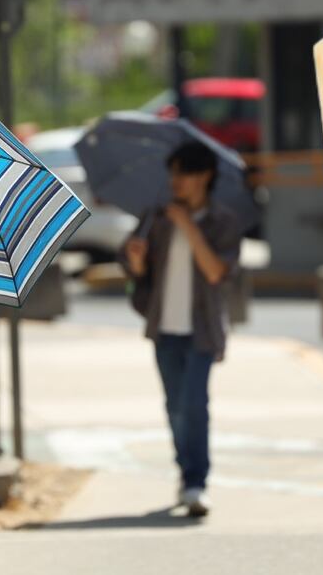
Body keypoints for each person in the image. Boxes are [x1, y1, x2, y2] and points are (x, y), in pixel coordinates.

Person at [121, 141, 242, 518]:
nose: (176, 181)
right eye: (172, 173)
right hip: (164, 328)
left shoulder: (222, 221)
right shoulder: (155, 217)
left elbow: (216, 271)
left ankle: (195, 482)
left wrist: (187, 225)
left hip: (202, 331)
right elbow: (139, 274)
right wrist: (137, 260)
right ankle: (185, 472)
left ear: (204, 176)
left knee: (194, 404)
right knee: (175, 408)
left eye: (184, 173)